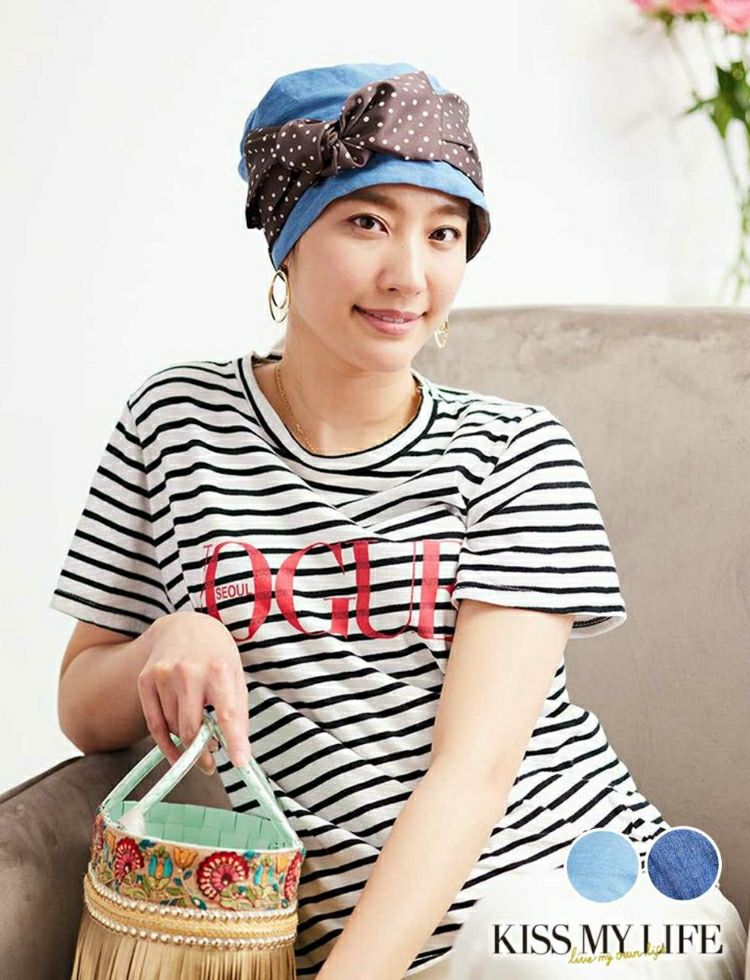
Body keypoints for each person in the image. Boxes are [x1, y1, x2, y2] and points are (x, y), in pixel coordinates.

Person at [51, 62, 747, 979]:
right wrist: (171, 638)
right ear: (287, 238)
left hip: (590, 914)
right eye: (368, 222)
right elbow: (82, 707)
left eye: (444, 233)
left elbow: (474, 774)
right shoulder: (174, 424)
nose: (409, 276)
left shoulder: (514, 452)